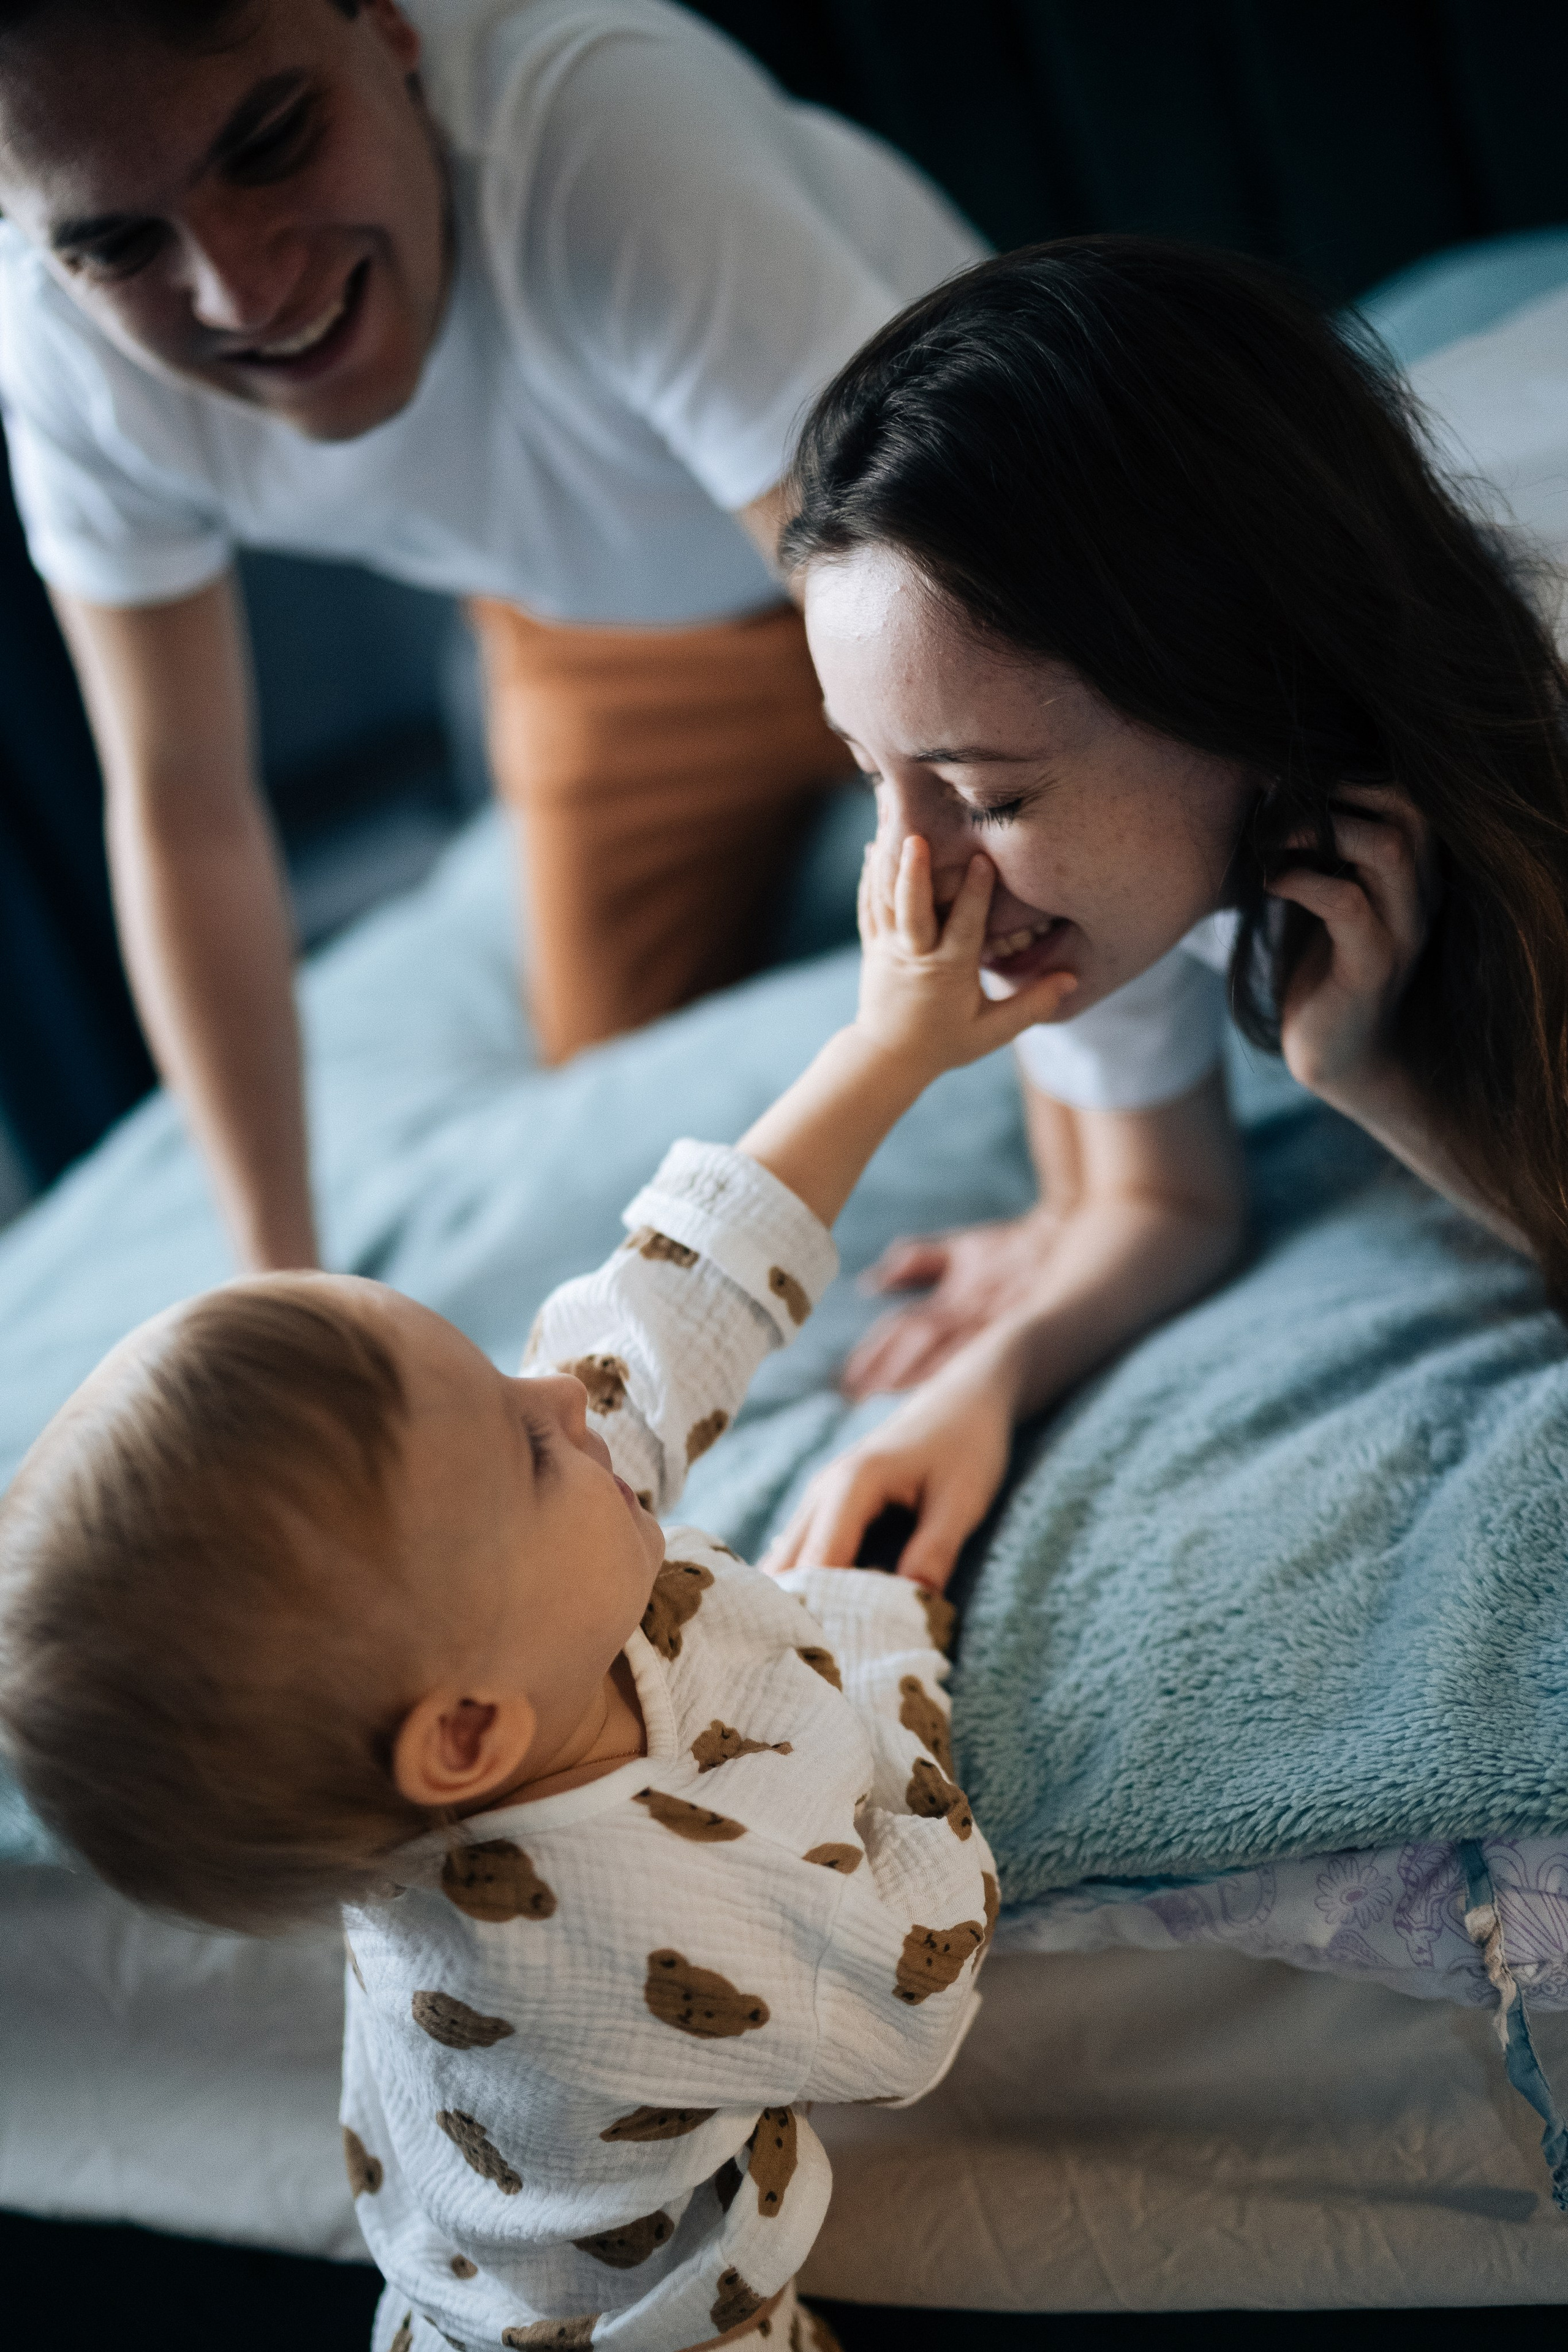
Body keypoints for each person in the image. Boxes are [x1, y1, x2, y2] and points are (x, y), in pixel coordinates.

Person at [0, 836, 1067, 2352]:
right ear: (468, 1736)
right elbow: (917, 1978)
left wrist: (885, 1044)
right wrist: (880, 1637)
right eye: (522, 1441)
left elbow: (671, 1297)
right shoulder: (618, 1924)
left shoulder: (487, 1602)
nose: (563, 1398)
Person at [0, 0, 982, 1270]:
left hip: (940, 562)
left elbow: (942, 650)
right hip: (607, 652)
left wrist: (1115, 1199)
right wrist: (285, 1278)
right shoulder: (69, 359)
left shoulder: (602, 129)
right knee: (611, 1073)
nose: (241, 289)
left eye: (276, 140)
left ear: (390, 25)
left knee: (1030, 860)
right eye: (122, 244)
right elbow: (182, 801)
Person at [764, 237, 1568, 1594]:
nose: (914, 886)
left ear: (1243, 693)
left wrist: (1387, 1091)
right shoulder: (1114, 819)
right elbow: (1165, 1195)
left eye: (982, 796)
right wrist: (973, 1392)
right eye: (870, 778)